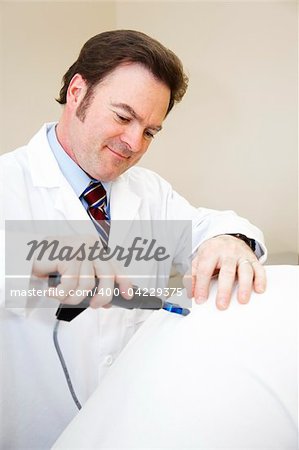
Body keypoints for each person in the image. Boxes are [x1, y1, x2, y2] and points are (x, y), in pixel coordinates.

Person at [0, 30, 267, 449]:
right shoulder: (9, 183)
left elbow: (207, 226)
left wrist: (229, 240)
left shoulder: (150, 192)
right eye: (123, 117)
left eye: (150, 131)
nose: (134, 143)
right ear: (77, 91)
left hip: (136, 428)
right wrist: (29, 260)